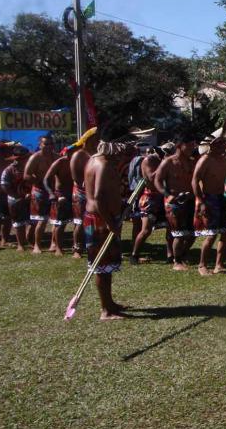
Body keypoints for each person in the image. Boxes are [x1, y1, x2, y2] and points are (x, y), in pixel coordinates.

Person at [83, 129, 135, 321]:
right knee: (101, 267)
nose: (121, 158)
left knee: (107, 266)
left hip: (103, 218)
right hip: (100, 220)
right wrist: (110, 222)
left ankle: (110, 303)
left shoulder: (94, 161)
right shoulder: (103, 165)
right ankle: (106, 310)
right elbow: (97, 198)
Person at [155, 133, 198, 271]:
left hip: (190, 200)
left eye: (193, 145)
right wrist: (167, 195)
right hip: (174, 202)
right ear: (180, 146)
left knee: (193, 233)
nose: (192, 148)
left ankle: (182, 254)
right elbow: (157, 180)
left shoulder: (192, 161)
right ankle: (177, 261)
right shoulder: (168, 162)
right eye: (190, 145)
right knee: (179, 234)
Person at [193, 133, 226, 275]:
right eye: (220, 144)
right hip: (208, 198)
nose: (223, 146)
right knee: (211, 234)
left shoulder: (223, 159)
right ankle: (202, 265)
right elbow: (195, 180)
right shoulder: (205, 160)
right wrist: (200, 201)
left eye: (224, 143)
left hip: (221, 198)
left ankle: (219, 265)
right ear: (211, 146)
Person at [131, 146, 169, 263]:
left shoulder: (164, 160)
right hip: (149, 198)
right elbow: (151, 178)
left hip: (162, 196)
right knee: (146, 230)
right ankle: (134, 255)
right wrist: (163, 164)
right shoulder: (148, 160)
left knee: (170, 227)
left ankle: (170, 255)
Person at [24, 134, 58, 254]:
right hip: (39, 191)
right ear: (40, 145)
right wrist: (40, 182)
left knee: (55, 219)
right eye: (45, 144)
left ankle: (54, 244)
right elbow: (26, 175)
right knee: (41, 220)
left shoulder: (56, 157)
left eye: (50, 144)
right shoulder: (35, 158)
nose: (48, 146)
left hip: (53, 191)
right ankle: (36, 245)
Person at [71, 128, 99, 259]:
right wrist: (84, 184)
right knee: (79, 222)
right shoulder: (79, 155)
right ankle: (77, 248)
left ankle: (91, 246)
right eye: (95, 138)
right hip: (81, 192)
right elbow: (75, 176)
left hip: (92, 192)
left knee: (92, 221)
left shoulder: (97, 153)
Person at [44, 146, 75, 256]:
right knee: (59, 223)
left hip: (74, 194)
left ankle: (76, 247)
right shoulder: (59, 163)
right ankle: (58, 248)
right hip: (60, 194)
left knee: (77, 222)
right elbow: (46, 179)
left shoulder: (77, 162)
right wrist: (52, 194)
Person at [1, 146, 31, 252]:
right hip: (15, 200)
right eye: (20, 158)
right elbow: (5, 186)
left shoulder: (30, 168)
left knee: (31, 221)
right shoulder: (9, 170)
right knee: (19, 222)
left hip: (30, 198)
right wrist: (18, 197)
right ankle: (20, 244)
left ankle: (29, 240)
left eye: (24, 158)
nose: (22, 160)